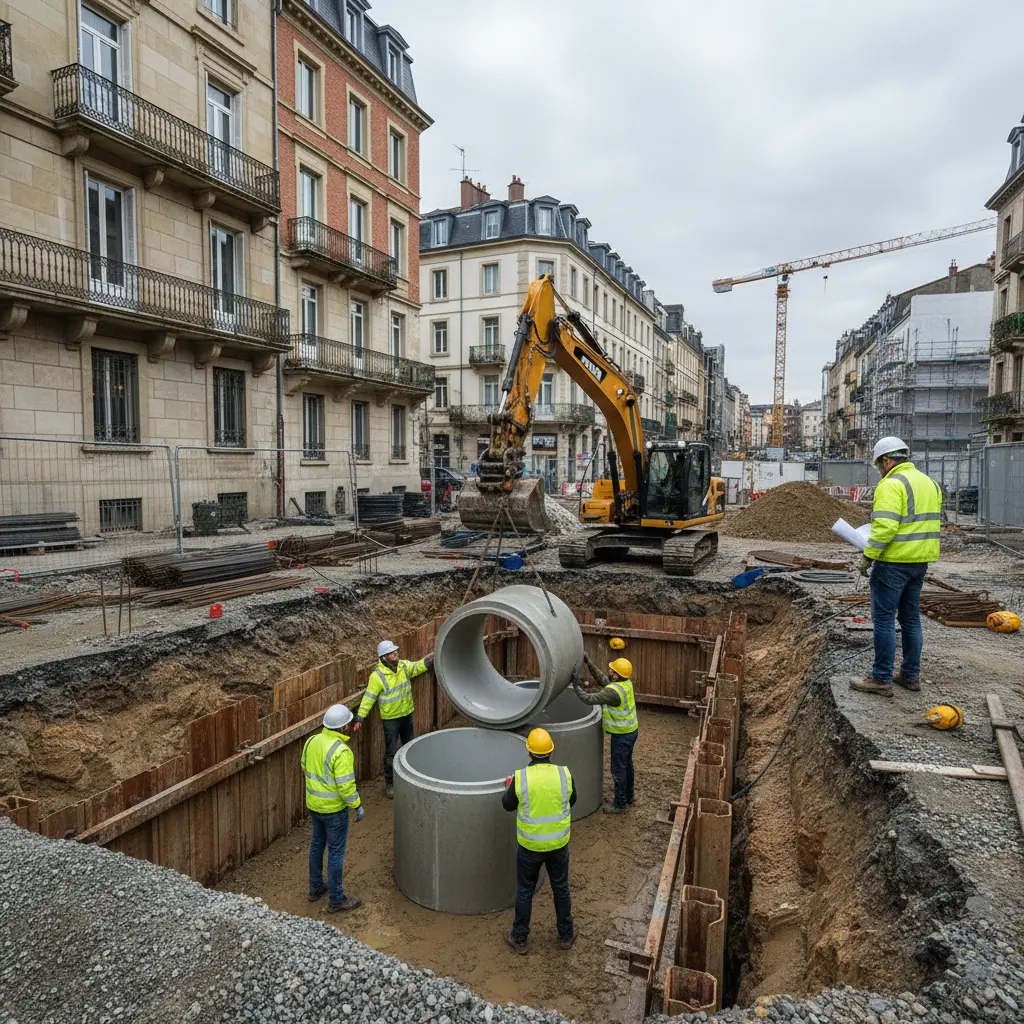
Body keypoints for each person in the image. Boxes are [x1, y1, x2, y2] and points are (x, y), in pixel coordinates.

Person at [851, 436, 942, 698]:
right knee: (911, 619)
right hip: (920, 561)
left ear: (887, 460)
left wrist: (867, 556)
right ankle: (910, 675)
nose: (880, 469)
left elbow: (886, 527)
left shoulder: (891, 484)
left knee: (883, 620)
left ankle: (880, 678)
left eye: (880, 464)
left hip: (893, 562)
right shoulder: (930, 483)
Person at [502, 727, 577, 955]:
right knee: (561, 888)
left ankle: (520, 938)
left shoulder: (521, 778)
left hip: (530, 847)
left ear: (529, 753)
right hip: (558, 846)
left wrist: (510, 787)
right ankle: (566, 935)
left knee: (525, 891)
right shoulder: (564, 774)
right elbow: (572, 800)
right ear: (551, 751)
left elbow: (507, 805)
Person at [301, 703, 363, 913]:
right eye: (348, 723)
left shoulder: (311, 741)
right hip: (334, 810)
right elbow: (346, 787)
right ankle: (336, 899)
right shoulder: (341, 751)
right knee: (336, 853)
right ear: (343, 727)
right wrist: (357, 805)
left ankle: (315, 887)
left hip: (314, 805)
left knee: (317, 845)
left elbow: (304, 766)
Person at [353, 639, 434, 798]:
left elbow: (416, 667)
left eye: (395, 651)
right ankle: (390, 784)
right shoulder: (377, 677)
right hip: (391, 719)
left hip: (407, 714)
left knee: (410, 745)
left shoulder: (403, 666)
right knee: (391, 752)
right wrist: (360, 718)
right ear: (384, 658)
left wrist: (428, 660)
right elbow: (369, 698)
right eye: (391, 652)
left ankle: (412, 776)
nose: (395, 653)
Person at [572, 653, 639, 813]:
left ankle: (620, 805)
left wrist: (576, 685)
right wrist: (589, 663)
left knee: (618, 769)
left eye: (612, 670)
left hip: (622, 736)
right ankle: (629, 796)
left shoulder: (612, 693)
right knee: (627, 765)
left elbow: (588, 699)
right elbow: (603, 679)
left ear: (616, 675)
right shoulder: (625, 684)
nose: (609, 670)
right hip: (631, 732)